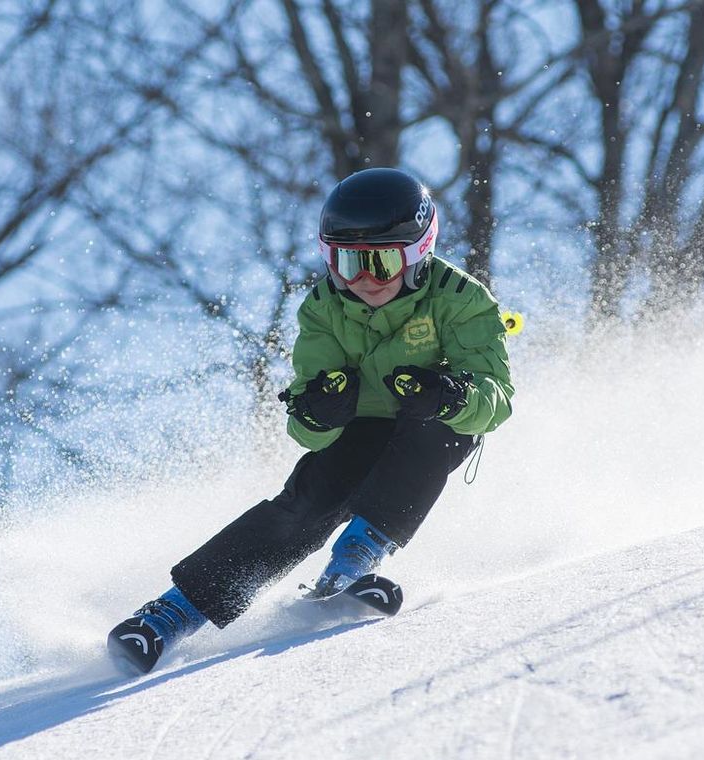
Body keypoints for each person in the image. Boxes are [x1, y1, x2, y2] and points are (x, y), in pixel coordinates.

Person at [107, 167, 515, 674]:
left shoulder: (461, 299)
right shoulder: (324, 307)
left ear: (417, 255)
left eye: (381, 263)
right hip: (360, 427)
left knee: (439, 435)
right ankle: (171, 614)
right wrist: (319, 411)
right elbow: (304, 427)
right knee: (308, 502)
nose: (363, 280)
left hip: (430, 422)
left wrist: (450, 396)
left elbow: (496, 400)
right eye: (346, 263)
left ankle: (352, 563)